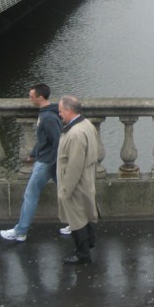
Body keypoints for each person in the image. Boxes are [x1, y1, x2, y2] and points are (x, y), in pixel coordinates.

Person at [0, 83, 61, 242]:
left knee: (30, 194)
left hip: (47, 162)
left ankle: (20, 231)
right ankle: (77, 224)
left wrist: (50, 160)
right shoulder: (46, 113)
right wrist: (34, 154)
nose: (30, 99)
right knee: (65, 193)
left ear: (40, 97)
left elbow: (57, 141)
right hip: (48, 160)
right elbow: (44, 140)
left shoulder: (48, 117)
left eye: (31, 96)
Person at [57, 95, 102, 265]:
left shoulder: (75, 133)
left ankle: (82, 255)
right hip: (87, 177)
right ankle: (90, 241)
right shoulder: (86, 124)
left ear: (68, 111)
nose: (59, 114)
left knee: (76, 218)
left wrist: (65, 190)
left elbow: (74, 166)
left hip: (76, 181)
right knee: (85, 211)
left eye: (61, 111)